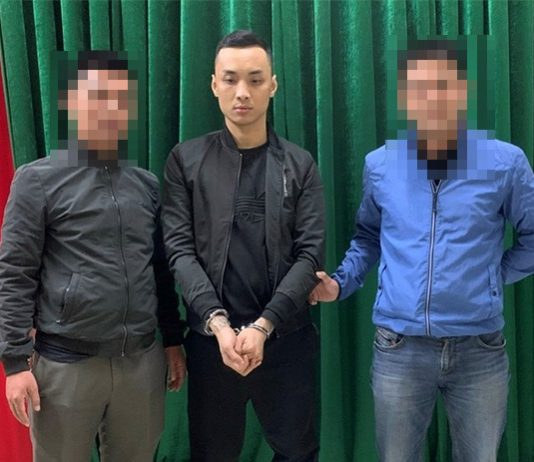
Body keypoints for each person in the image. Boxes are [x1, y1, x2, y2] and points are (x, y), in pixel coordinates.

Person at [309, 39, 534, 462]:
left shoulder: (506, 163)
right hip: (399, 348)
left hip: (480, 350)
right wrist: (340, 283)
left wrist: (490, 276)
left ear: (463, 92)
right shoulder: (380, 164)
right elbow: (368, 237)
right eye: (419, 88)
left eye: (443, 86)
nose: (432, 99)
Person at [0, 50, 186, 462]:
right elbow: (15, 273)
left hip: (141, 362)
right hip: (65, 367)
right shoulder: (36, 180)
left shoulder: (146, 185)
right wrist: (14, 363)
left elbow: (160, 271)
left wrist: (173, 340)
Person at [162, 30, 325, 462]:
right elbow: (179, 251)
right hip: (211, 343)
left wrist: (263, 326)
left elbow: (310, 255)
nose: (242, 92)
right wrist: (219, 325)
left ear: (273, 85)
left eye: (255, 80)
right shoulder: (185, 161)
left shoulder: (300, 164)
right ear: (214, 85)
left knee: (298, 451)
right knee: (212, 453)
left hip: (286, 340)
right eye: (230, 79)